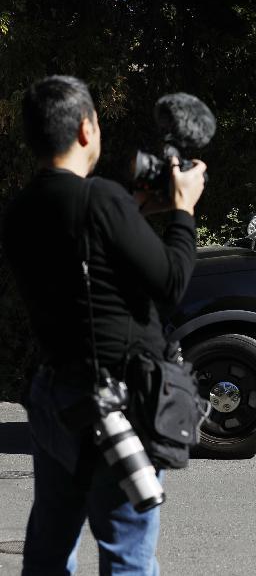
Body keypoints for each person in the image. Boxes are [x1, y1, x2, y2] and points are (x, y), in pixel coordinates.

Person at [2, 76, 207, 575]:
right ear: (85, 129)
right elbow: (171, 282)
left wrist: (133, 210)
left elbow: (83, 259)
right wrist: (183, 211)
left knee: (50, 548)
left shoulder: (19, 210)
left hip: (57, 395)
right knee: (126, 554)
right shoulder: (100, 200)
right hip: (117, 403)